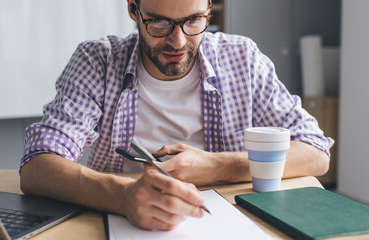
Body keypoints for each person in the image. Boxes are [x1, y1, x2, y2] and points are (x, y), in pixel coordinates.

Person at [20, 0, 334, 231]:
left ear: (209, 9)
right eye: (159, 23)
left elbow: (316, 152)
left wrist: (217, 166)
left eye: (195, 20)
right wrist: (124, 196)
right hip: (118, 221)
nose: (178, 42)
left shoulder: (242, 58)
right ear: (133, 9)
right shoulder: (98, 60)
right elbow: (37, 167)